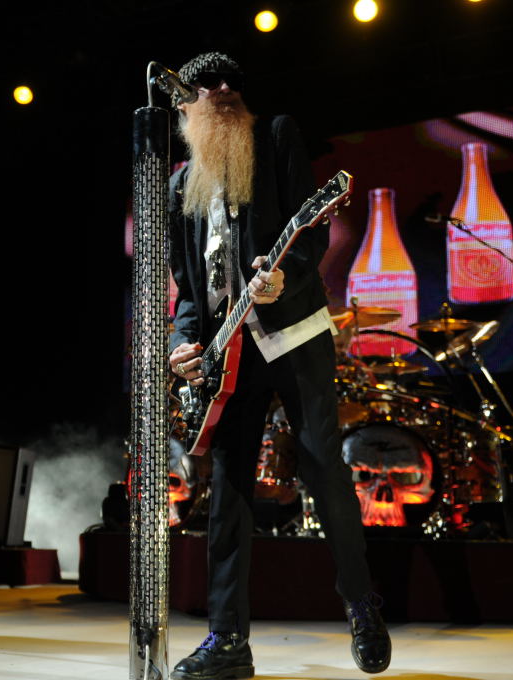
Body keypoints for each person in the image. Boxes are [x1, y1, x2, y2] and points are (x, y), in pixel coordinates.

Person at [166, 53, 391, 678]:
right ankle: (227, 641)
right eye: (208, 83)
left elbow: (311, 234)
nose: (224, 88)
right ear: (183, 102)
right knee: (228, 492)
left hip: (294, 333)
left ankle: (361, 604)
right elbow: (189, 289)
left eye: (233, 80)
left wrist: (284, 274)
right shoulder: (180, 185)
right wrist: (185, 343)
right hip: (227, 351)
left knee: (323, 468)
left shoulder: (275, 135)